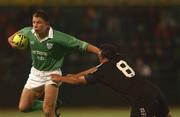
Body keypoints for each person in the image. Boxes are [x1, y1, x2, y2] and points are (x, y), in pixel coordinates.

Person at [8, 9, 100, 117]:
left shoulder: (58, 38)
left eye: (39, 22)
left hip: (52, 74)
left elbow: (82, 45)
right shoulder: (28, 32)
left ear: (47, 24)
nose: (35, 25)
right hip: (35, 73)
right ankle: (54, 104)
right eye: (33, 22)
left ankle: (50, 106)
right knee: (23, 107)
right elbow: (10, 38)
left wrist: (99, 52)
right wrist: (13, 43)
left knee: (47, 111)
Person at [51, 44, 172, 117]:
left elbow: (78, 82)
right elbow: (95, 68)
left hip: (142, 100)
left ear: (103, 57)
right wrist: (77, 74)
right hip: (154, 90)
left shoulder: (103, 71)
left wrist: (60, 78)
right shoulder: (119, 59)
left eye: (99, 55)